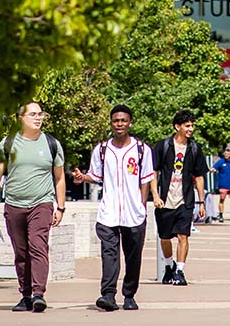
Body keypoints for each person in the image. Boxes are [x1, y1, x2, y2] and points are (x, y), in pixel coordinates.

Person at [71, 105, 153, 311]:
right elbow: (95, 176)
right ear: (111, 123)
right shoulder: (102, 150)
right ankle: (107, 295)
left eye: (123, 120)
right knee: (109, 254)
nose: (119, 124)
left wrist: (142, 206)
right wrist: (83, 177)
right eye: (116, 121)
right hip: (108, 213)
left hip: (134, 214)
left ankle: (129, 295)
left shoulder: (142, 149)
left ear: (130, 123)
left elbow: (146, 179)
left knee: (133, 256)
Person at [0, 101, 66, 313]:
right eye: (33, 114)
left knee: (38, 247)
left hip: (42, 203)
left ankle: (39, 294)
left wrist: (61, 207)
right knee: (21, 252)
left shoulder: (51, 144)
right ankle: (26, 295)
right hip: (14, 205)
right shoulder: (8, 144)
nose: (38, 118)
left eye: (40, 114)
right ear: (20, 118)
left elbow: (59, 178)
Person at [152, 110, 208, 285]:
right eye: (187, 125)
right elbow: (153, 171)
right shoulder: (163, 146)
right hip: (165, 200)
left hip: (185, 200)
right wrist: (155, 195)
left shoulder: (195, 148)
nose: (191, 129)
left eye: (192, 125)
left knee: (183, 235)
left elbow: (199, 176)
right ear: (177, 127)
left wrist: (201, 202)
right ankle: (169, 266)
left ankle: (180, 271)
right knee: (165, 237)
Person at [211, 145, 230, 223]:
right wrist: (212, 170)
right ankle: (221, 215)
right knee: (222, 199)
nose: (226, 154)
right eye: (225, 153)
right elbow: (213, 168)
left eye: (228, 153)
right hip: (223, 184)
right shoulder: (221, 162)